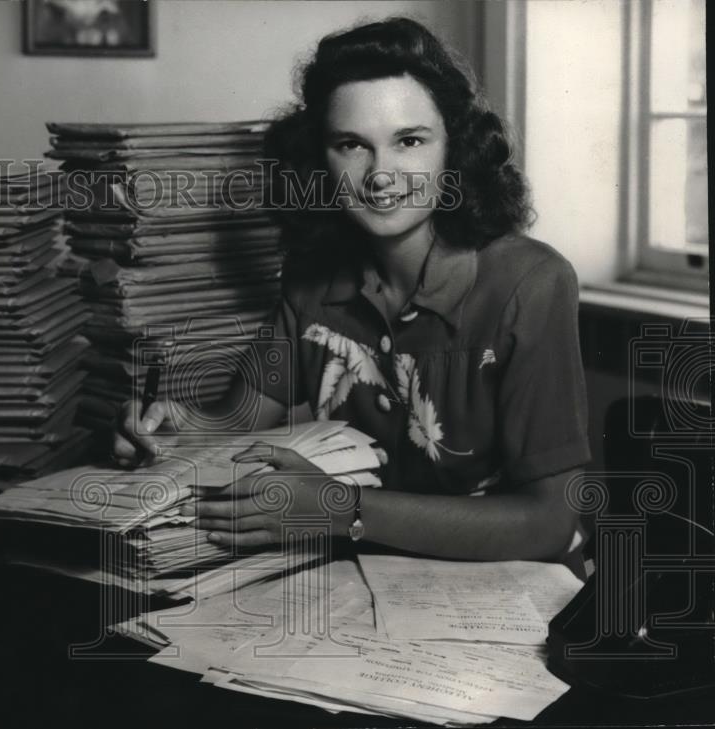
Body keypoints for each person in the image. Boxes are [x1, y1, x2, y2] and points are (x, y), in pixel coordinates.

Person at [112, 17, 591, 565]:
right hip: (365, 581)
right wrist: (167, 427)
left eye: (409, 141)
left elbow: (550, 522)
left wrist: (340, 509)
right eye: (351, 145)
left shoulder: (532, 284)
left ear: (454, 150)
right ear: (320, 159)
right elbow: (241, 415)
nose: (381, 174)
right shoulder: (311, 276)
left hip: (513, 589)